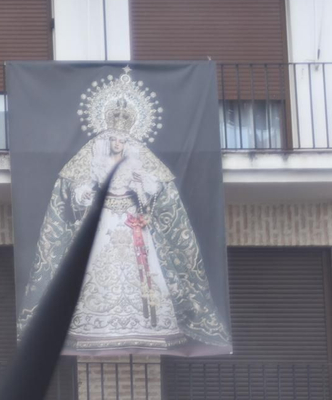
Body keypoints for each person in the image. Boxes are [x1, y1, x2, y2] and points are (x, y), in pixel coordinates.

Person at [20, 68, 229, 355]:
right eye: (114, 139)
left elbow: (156, 188)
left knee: (142, 270)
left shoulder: (136, 163)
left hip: (132, 222)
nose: (118, 143)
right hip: (104, 221)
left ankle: (147, 325)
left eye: (123, 140)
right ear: (107, 139)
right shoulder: (95, 163)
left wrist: (143, 188)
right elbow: (79, 193)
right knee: (98, 267)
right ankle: (96, 326)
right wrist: (91, 191)